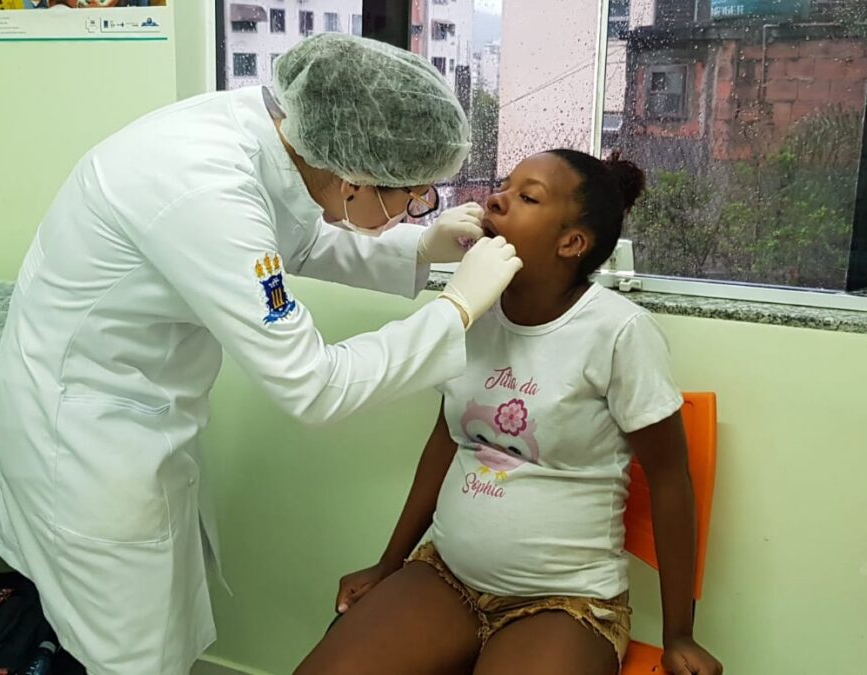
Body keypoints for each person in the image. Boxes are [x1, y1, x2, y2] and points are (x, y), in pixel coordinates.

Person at [0, 33, 521, 675]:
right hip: (84, 448)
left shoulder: (273, 136)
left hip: (126, 416)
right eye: (415, 195)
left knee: (148, 640)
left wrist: (419, 248)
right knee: (130, 660)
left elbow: (295, 238)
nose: (418, 207)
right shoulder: (205, 187)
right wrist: (456, 309)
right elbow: (314, 386)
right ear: (354, 174)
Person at [296, 150, 723, 675]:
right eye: (503, 186)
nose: (496, 199)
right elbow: (446, 442)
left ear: (572, 243)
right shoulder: (473, 310)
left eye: (527, 197)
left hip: (565, 603)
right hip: (446, 578)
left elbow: (670, 479)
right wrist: (390, 563)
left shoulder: (618, 333)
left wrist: (680, 634)